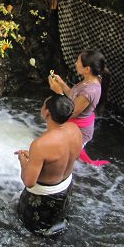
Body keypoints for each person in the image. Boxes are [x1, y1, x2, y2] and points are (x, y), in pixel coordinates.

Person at [16, 94, 83, 236]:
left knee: (31, 233)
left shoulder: (41, 145)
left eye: (43, 104)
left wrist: (23, 160)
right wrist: (39, 159)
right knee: (55, 227)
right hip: (66, 189)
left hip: (42, 199)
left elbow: (29, 182)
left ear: (47, 112)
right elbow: (74, 155)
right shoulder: (75, 129)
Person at [48, 49, 110, 166]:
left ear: (87, 70)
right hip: (75, 126)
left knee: (67, 162)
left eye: (78, 61)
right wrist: (62, 83)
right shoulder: (89, 81)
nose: (75, 63)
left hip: (79, 131)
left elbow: (71, 112)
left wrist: (59, 93)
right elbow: (73, 96)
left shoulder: (89, 91)